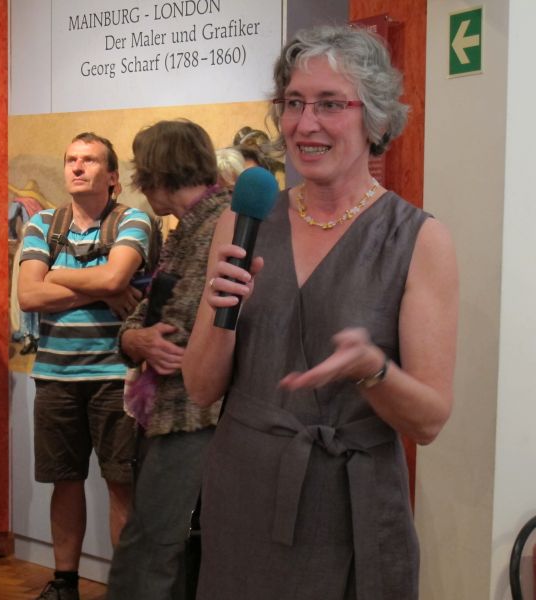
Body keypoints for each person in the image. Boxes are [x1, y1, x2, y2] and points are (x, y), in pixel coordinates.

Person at [183, 24, 458, 599]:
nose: (306, 124)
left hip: (350, 508)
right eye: (294, 103)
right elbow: (202, 388)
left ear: (374, 119)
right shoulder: (243, 222)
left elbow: (429, 421)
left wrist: (372, 370)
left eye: (330, 104)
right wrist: (217, 310)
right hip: (243, 494)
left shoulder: (417, 239)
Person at [17, 132, 152, 600]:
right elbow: (28, 295)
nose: (77, 167)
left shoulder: (132, 220)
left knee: (122, 484)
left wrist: (58, 274)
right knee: (64, 480)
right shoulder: (43, 224)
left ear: (112, 176)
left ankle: (127, 589)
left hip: (117, 376)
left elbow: (116, 277)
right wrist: (102, 289)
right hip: (55, 376)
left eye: (90, 160)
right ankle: (65, 583)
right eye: (71, 159)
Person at [106, 119, 230, 599]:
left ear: (158, 172)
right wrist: (135, 340)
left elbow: (185, 327)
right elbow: (147, 317)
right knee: (152, 542)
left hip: (194, 415)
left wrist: (140, 337)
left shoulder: (220, 225)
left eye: (142, 170)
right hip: (173, 413)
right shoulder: (189, 228)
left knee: (152, 545)